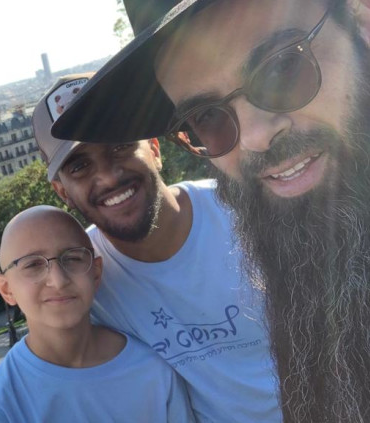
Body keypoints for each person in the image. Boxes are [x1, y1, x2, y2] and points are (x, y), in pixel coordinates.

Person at [51, 1, 370, 421]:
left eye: (282, 68)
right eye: (207, 116)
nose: (255, 136)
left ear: (361, 19)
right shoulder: (88, 278)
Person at [34, 74, 280, 421]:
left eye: (118, 145)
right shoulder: (81, 281)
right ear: (63, 192)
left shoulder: (247, 211)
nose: (108, 176)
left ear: (153, 147)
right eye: (80, 166)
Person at [0, 205, 193, 423]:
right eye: (33, 265)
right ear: (6, 288)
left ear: (96, 273)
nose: (58, 281)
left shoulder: (152, 371)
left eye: (73, 258)